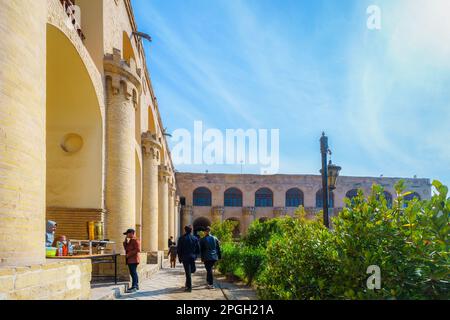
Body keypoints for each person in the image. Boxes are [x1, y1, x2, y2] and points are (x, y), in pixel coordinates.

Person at [177, 225, 200, 292]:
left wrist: (180, 257)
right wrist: (195, 256)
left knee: (188, 272)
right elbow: (198, 249)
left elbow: (179, 249)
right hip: (192, 257)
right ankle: (188, 286)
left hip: (185, 257)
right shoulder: (195, 238)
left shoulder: (181, 238)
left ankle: (189, 287)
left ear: (185, 230)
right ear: (191, 230)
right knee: (189, 272)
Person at [123, 228, 141, 293]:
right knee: (132, 272)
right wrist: (125, 241)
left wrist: (129, 255)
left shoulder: (135, 240)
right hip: (130, 259)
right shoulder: (130, 240)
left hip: (133, 259)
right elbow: (126, 248)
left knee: (133, 273)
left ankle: (134, 286)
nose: (126, 235)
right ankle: (136, 285)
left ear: (131, 233)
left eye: (127, 234)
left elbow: (138, 249)